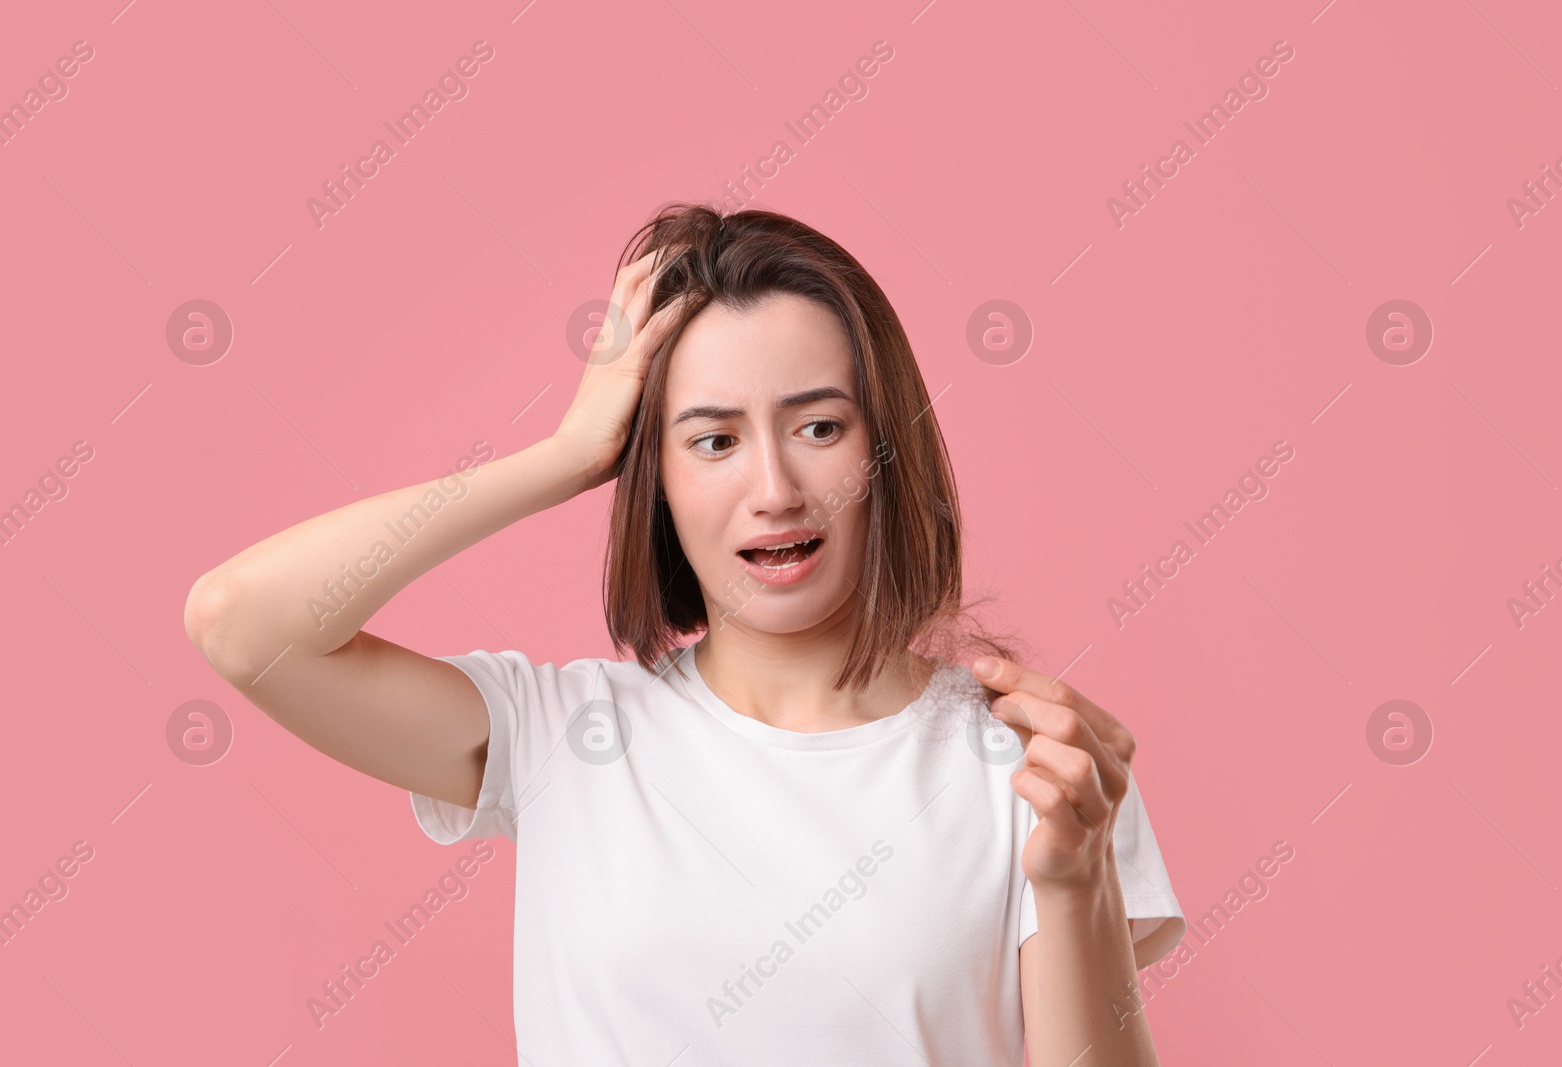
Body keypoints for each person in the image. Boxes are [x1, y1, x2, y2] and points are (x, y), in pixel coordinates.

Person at [183, 203, 1186, 1065]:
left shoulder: (1033, 762)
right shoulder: (560, 734)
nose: (775, 489)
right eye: (712, 439)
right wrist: (568, 453)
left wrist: (1073, 873)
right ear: (652, 477)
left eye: (820, 427)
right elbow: (243, 621)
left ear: (886, 451)